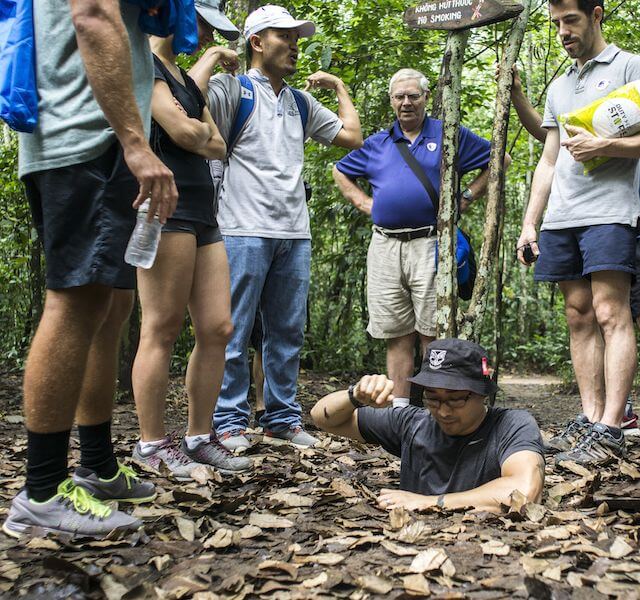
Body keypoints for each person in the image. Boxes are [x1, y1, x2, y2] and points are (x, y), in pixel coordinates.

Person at [3, 0, 178, 538]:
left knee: (105, 305)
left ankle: (96, 465)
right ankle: (42, 491)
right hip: (88, 137)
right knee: (76, 301)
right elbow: (94, 15)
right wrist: (134, 141)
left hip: (84, 137)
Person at [194, 5, 363, 451]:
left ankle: (281, 418)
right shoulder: (234, 90)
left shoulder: (299, 101)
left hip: (294, 232)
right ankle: (228, 421)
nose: (293, 45)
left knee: (286, 331)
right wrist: (212, 58)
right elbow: (187, 108)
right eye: (283, 36)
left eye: (295, 37)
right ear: (256, 42)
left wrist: (340, 86)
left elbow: (351, 137)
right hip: (241, 227)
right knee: (233, 328)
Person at [515, 0, 640, 463]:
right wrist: (530, 223)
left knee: (610, 312)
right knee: (578, 314)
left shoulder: (630, 67)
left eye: (572, 21)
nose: (563, 32)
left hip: (610, 211)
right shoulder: (560, 86)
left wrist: (607, 143)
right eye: (557, 24)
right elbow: (549, 160)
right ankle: (590, 418)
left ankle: (611, 427)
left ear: (597, 15)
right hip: (562, 217)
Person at [333, 68, 507, 407]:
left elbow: (499, 158)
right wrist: (362, 201)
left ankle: (435, 408)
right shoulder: (377, 143)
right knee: (397, 334)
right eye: (399, 96)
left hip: (431, 243)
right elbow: (340, 169)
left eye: (414, 95)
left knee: (433, 332)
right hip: (385, 245)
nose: (407, 102)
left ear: (427, 98)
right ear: (391, 101)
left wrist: (467, 197)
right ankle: (400, 410)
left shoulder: (449, 134)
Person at [130, 0, 251, 479]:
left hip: (205, 211)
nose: (203, 36)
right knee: (161, 327)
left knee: (219, 327)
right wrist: (195, 132)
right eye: (200, 25)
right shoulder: (145, 65)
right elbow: (181, 131)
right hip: (167, 207)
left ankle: (200, 435)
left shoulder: (182, 79)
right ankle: (152, 444)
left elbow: (218, 143)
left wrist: (195, 132)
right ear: (178, 18)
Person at [311, 339, 544, 512]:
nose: (443, 411)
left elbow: (524, 492)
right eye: (432, 398)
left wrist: (429, 502)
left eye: (455, 399)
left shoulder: (511, 425)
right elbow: (323, 418)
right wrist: (355, 396)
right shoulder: (413, 422)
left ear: (482, 394)